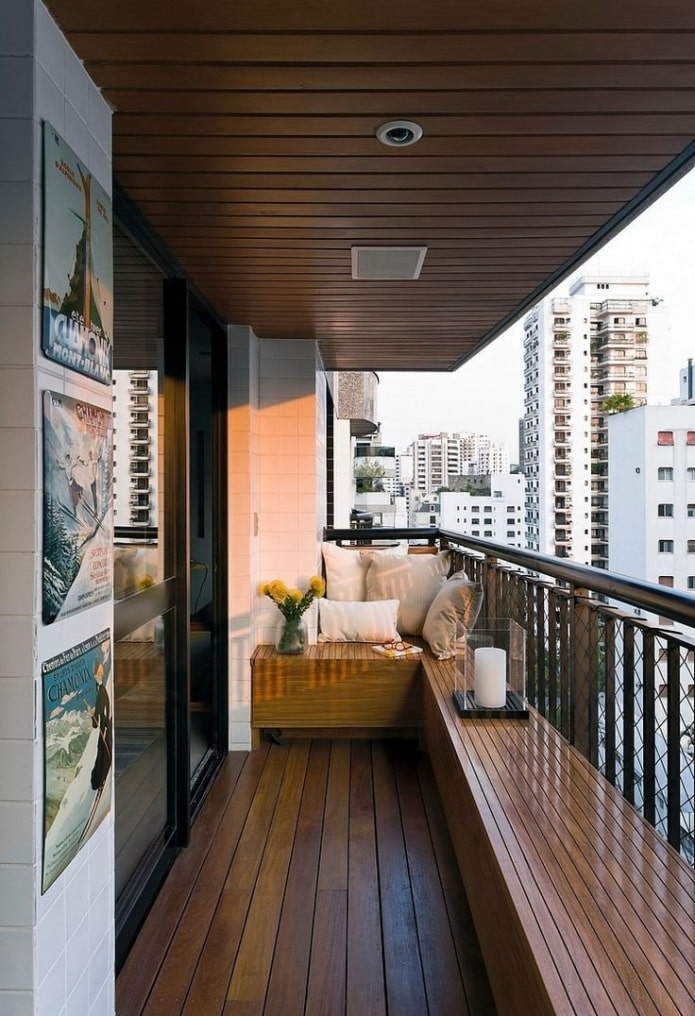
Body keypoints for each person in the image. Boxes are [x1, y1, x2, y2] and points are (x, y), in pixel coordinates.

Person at [88, 661, 112, 792]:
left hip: (106, 727)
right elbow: (96, 720)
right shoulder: (99, 692)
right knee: (101, 753)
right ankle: (98, 780)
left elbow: (107, 710)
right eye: (99, 672)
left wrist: (106, 724)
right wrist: (92, 715)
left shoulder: (102, 691)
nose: (101, 674)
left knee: (104, 753)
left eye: (102, 671)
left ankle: (100, 779)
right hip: (103, 728)